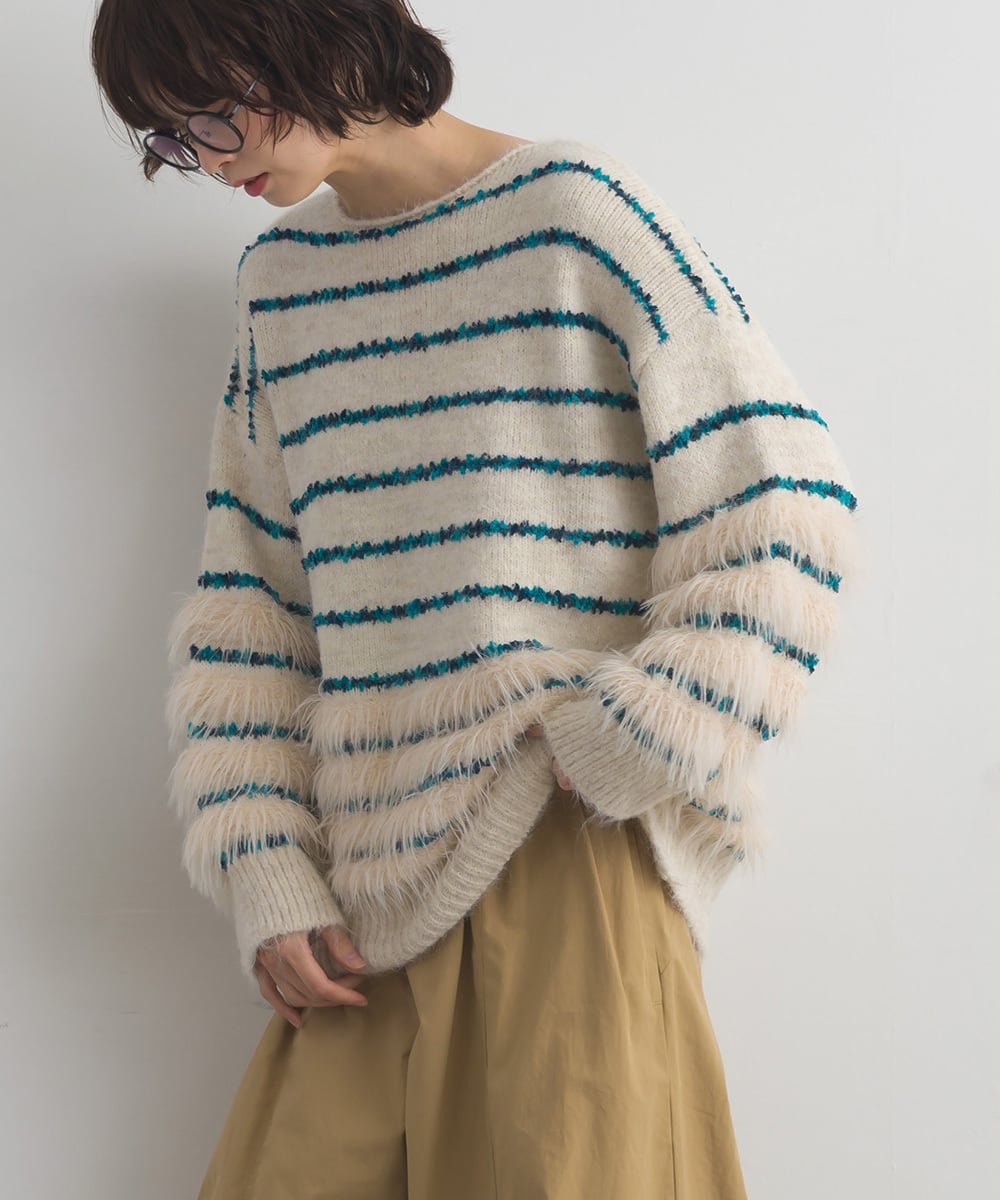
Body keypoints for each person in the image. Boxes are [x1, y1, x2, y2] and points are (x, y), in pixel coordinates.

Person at [91, 2, 863, 1196]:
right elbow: (251, 606)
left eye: (208, 111)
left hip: (560, 849)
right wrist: (267, 869)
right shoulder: (280, 287)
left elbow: (783, 503)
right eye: (170, 137)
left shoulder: (574, 214)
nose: (203, 157)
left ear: (309, 33)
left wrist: (622, 739)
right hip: (359, 895)